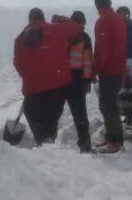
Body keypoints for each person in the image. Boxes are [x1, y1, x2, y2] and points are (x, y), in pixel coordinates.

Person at [13, 8, 81, 145]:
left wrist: (28, 76)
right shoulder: (55, 29)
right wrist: (61, 18)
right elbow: (75, 28)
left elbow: (18, 64)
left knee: (35, 118)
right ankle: (48, 144)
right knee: (51, 119)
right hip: (56, 88)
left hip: (32, 90)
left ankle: (41, 143)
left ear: (30, 19)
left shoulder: (20, 38)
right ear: (43, 18)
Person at [92, 0, 128, 154]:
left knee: (108, 106)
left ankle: (115, 141)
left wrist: (95, 70)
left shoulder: (104, 20)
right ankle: (114, 138)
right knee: (110, 104)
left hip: (109, 70)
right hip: (118, 68)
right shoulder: (119, 19)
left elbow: (103, 50)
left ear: (97, 3)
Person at [65, 11, 94, 152]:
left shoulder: (62, 34)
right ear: (82, 22)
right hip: (77, 79)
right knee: (80, 113)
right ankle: (84, 141)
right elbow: (88, 62)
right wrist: (87, 81)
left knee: (55, 111)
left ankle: (46, 141)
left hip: (61, 77)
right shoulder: (84, 37)